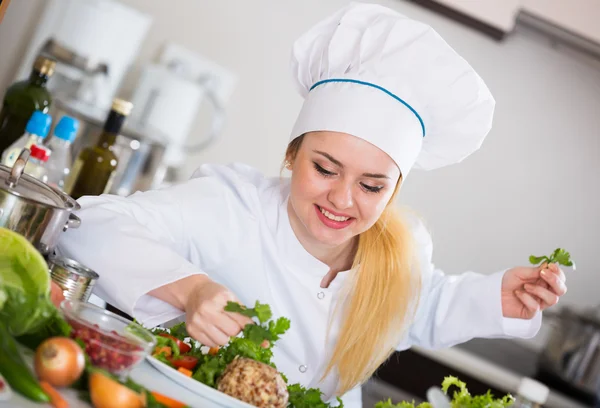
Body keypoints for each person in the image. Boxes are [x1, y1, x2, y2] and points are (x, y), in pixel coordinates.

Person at [57, 3, 567, 406]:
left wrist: (497, 298)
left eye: (372, 186)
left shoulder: (402, 251)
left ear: (394, 190)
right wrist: (191, 289)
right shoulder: (231, 205)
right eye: (324, 168)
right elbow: (84, 224)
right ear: (291, 153)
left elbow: (423, 305)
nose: (342, 200)